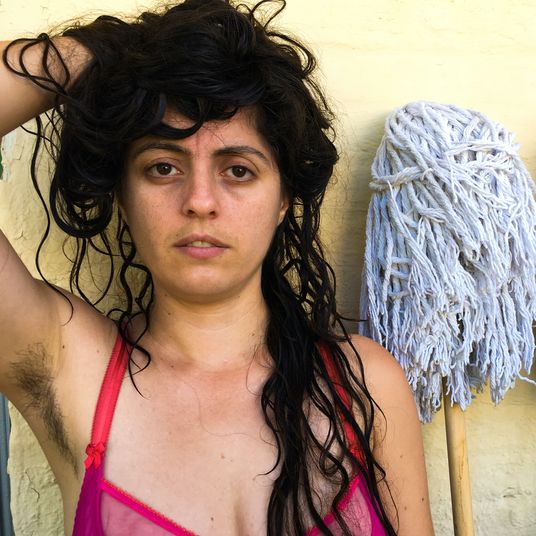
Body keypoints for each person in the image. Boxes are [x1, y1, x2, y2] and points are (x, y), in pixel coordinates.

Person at [0, 1, 434, 534]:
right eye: (163, 167)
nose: (200, 201)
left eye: (238, 170)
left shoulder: (363, 384)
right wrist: (106, 53)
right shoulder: (68, 365)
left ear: (283, 199)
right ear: (123, 196)